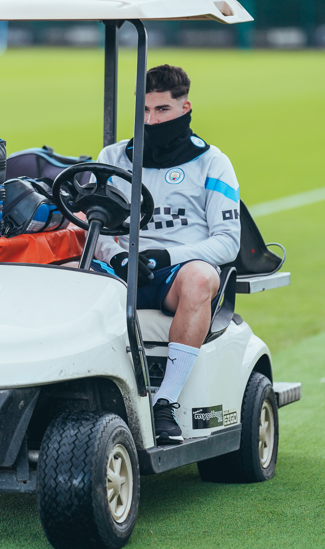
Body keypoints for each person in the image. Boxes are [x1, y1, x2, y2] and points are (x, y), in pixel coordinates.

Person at [92, 64, 240, 444]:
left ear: (185, 108)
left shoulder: (213, 162)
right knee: (59, 267)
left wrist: (166, 258)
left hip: (175, 273)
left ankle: (165, 404)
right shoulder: (112, 156)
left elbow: (228, 241)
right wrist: (117, 256)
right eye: (144, 111)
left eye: (162, 111)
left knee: (202, 278)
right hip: (120, 269)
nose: (151, 120)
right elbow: (93, 223)